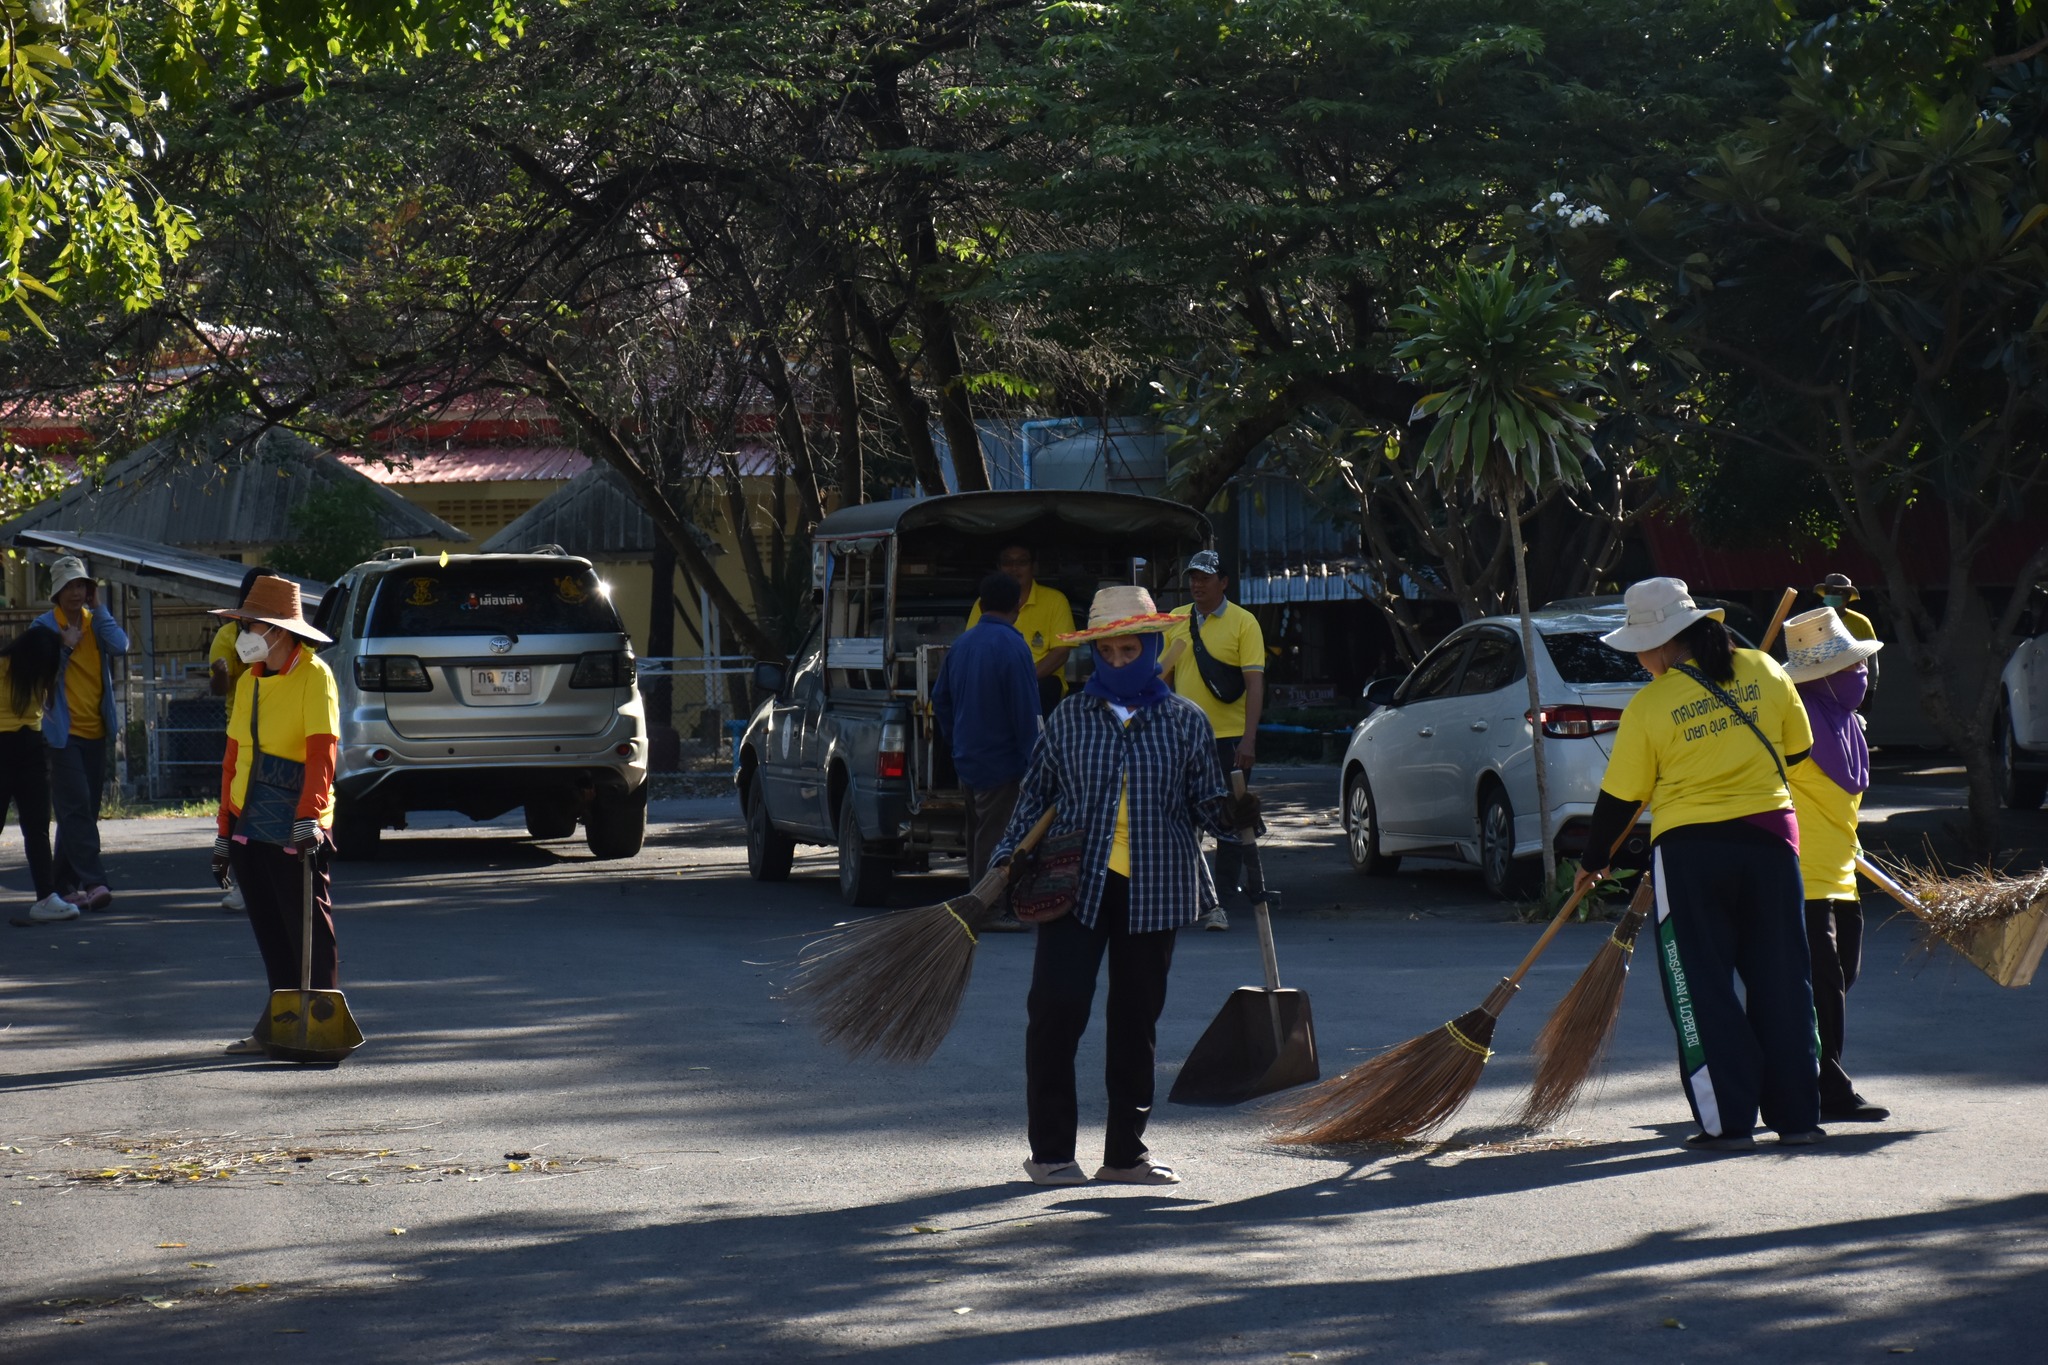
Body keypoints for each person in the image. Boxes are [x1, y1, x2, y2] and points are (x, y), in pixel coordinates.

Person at [992, 585, 1257, 1187]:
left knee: (1136, 1022)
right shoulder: (1069, 719)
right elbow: (1034, 798)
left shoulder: (1184, 722)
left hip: (1156, 887)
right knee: (1055, 1012)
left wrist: (1236, 814)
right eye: (1107, 652)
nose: (1117, 661)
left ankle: (1125, 1156)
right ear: (1094, 653)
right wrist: (1006, 861)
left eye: (1129, 650)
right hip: (1072, 885)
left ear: (1151, 649)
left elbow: (1207, 804)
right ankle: (1051, 1154)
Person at [1577, 577, 1823, 1154]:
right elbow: (1799, 750)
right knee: (1784, 978)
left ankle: (1728, 1123)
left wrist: (1594, 860)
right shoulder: (1766, 669)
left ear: (1662, 644)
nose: (1638, 660)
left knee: (1700, 985)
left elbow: (1621, 797)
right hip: (1772, 843)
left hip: (1691, 853)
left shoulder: (1650, 705)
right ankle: (1797, 1118)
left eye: (1639, 649)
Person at [209, 576, 342, 1056]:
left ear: (280, 631)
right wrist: (223, 831)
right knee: (270, 929)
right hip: (248, 819)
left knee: (307, 928)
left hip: (296, 820)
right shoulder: (249, 680)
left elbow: (322, 753)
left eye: (251, 625)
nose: (244, 634)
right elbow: (232, 760)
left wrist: (309, 817)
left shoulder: (315, 676)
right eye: (243, 624)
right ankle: (280, 1026)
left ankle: (321, 1027)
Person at [1781, 607, 1890, 1123]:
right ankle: (1828, 1085)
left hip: (1842, 873)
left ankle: (1780, 1063)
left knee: (1843, 975)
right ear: (1820, 677)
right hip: (1799, 875)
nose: (1860, 674)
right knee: (1822, 983)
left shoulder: (1848, 725)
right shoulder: (1790, 724)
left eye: (1859, 665)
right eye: (1849, 667)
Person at [933, 572, 1044, 931]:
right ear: (1018, 606)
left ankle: (977, 901)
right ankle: (987, 908)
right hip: (1003, 759)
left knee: (978, 834)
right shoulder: (1014, 647)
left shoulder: (962, 644)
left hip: (968, 756)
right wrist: (1036, 761)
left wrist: (955, 740)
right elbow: (1025, 711)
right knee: (996, 835)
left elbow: (940, 699)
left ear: (980, 605)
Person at [1164, 549, 1266, 931]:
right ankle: (1187, 896)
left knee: (1231, 819)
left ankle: (1221, 900)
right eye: (1193, 577)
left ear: (1223, 582)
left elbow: (1255, 684)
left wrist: (1249, 740)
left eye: (1205, 578)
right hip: (1182, 738)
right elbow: (1163, 681)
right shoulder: (1175, 620)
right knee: (1180, 818)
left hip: (1230, 739)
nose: (1197, 584)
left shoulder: (1244, 622)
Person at [32, 556, 130, 911]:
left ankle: (60, 885)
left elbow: (121, 645)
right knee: (76, 809)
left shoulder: (95, 622)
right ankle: (94, 881)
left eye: (81, 586)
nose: (76, 593)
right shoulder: (44, 627)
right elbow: (38, 675)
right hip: (62, 734)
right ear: (56, 592)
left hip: (96, 729)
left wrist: (99, 608)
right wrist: (66, 646)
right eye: (69, 586)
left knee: (82, 810)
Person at [207, 566, 284, 913]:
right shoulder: (228, 635)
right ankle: (244, 883)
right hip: (243, 734)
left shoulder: (287, 632)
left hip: (284, 729)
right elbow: (218, 688)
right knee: (241, 807)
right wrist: (221, 674)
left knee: (280, 803)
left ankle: (280, 879)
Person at [1, 628, 72, 924]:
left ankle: (46, 896)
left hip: (32, 748)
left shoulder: (43, 667)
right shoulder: (4, 666)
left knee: (38, 826)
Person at [967, 545, 1075, 716]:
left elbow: (1061, 651)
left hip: (1039, 682)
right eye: (1007, 562)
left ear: (1034, 566)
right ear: (999, 567)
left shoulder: (1056, 600)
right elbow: (972, 646)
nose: (1014, 568)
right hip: (993, 681)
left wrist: (1023, 678)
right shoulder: (985, 600)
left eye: (1022, 562)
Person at [1812, 573, 1879, 708]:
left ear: (1847, 597)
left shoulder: (1861, 622)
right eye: (1829, 592)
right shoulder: (1812, 621)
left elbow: (1872, 660)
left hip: (1852, 689)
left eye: (1838, 592)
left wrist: (1870, 691)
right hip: (1819, 689)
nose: (1832, 595)